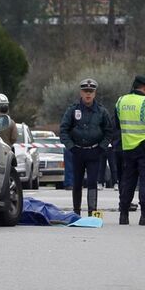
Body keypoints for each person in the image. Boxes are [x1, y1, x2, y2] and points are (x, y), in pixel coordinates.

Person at [58, 78, 115, 216]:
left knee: (92, 183)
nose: (88, 94)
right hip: (77, 152)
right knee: (77, 183)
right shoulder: (73, 110)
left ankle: (92, 212)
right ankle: (76, 212)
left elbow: (109, 132)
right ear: (81, 92)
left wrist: (101, 148)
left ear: (95, 93)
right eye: (85, 91)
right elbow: (63, 130)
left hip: (94, 152)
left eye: (91, 91)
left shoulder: (101, 111)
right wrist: (71, 147)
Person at [114, 75, 145, 226]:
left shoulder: (120, 101)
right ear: (144, 87)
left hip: (127, 147)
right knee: (144, 182)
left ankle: (123, 215)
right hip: (144, 148)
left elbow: (116, 125)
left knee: (127, 182)